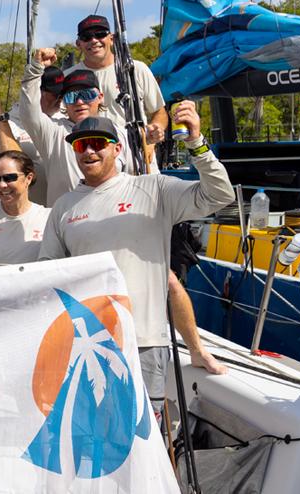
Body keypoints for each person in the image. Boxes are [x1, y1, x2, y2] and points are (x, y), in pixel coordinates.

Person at [39, 106, 232, 425]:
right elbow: (48, 271)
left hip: (144, 341)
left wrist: (195, 141)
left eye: (98, 143)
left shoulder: (154, 188)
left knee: (147, 440)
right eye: (80, 144)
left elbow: (219, 195)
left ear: (117, 149)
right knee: (93, 438)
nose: (89, 151)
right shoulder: (63, 207)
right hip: (87, 345)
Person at [12, 47, 137, 206]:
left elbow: (135, 178)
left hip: (111, 219)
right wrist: (36, 68)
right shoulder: (53, 132)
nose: (79, 102)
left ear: (100, 97)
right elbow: (29, 112)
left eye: (87, 95)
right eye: (72, 96)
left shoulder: (121, 132)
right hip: (66, 222)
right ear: (64, 101)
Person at [66, 13, 168, 154]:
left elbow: (159, 112)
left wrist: (153, 135)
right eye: (86, 37)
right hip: (89, 154)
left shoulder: (136, 69)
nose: (94, 40)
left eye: (100, 34)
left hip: (137, 153)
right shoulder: (68, 76)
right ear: (78, 44)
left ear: (111, 39)